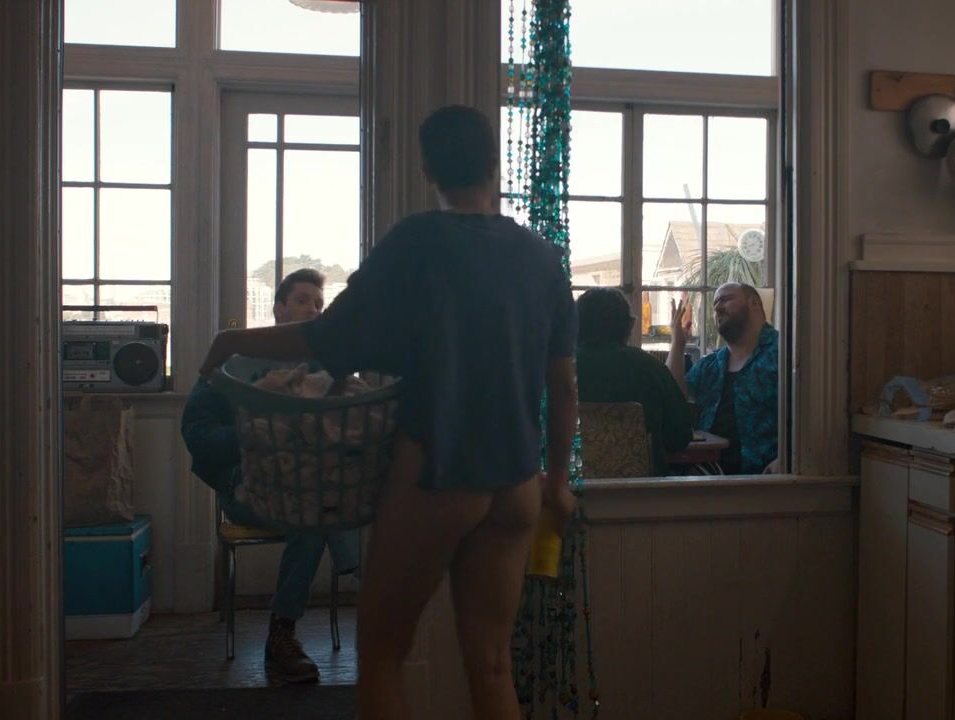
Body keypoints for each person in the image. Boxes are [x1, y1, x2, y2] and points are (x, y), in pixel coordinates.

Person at [195, 105, 578, 720]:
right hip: (516, 484)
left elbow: (328, 338)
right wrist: (557, 481)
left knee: (381, 660)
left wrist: (229, 340)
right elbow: (564, 385)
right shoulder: (540, 257)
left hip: (437, 472)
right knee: (492, 666)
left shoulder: (417, 242)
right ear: (493, 162)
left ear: (428, 169)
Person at [181, 267, 361, 684]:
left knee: (323, 507)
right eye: (302, 300)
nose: (313, 310)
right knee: (317, 514)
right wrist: (261, 432)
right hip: (245, 485)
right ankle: (290, 628)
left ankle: (286, 632)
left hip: (309, 486)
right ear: (279, 308)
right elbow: (198, 435)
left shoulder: (323, 371)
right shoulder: (233, 365)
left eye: (319, 304)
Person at [575, 288, 693, 474]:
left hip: (567, 488)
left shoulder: (554, 371)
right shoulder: (650, 368)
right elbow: (679, 438)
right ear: (629, 325)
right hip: (643, 489)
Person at [666, 282, 779, 474]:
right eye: (715, 304)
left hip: (768, 477)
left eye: (726, 299)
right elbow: (673, 395)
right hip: (712, 474)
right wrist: (677, 344)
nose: (718, 307)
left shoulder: (784, 352)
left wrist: (788, 457)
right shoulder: (711, 364)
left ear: (754, 303)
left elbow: (812, 410)